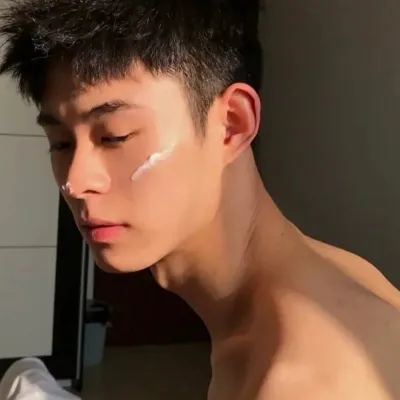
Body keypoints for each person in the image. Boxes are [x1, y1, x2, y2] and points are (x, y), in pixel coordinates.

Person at [0, 0, 400, 398]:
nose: (74, 182)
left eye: (115, 136)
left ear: (232, 124)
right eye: (61, 143)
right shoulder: (338, 272)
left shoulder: (297, 382)